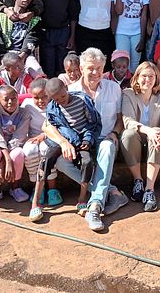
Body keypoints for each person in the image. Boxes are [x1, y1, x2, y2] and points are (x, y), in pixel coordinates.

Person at [68, 48, 128, 231]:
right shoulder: (70, 92)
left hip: (105, 139)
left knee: (107, 147)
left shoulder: (114, 88)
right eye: (90, 68)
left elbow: (119, 120)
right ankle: (112, 191)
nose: (95, 73)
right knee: (61, 161)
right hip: (82, 143)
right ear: (81, 68)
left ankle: (94, 206)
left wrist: (115, 133)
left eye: (99, 68)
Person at [29, 78, 101, 222]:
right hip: (63, 139)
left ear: (66, 88)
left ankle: (82, 200)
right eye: (55, 98)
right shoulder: (52, 108)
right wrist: (64, 142)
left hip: (81, 140)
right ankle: (35, 203)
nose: (61, 100)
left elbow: (93, 123)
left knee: (87, 162)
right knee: (46, 159)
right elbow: (54, 127)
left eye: (62, 95)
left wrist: (87, 140)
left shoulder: (82, 101)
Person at [121, 62, 160, 212]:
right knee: (128, 134)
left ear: (156, 79)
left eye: (151, 76)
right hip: (136, 139)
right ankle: (138, 181)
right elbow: (128, 120)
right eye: (144, 76)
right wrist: (148, 131)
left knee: (157, 132)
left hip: (154, 141)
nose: (147, 80)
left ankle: (149, 189)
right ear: (136, 78)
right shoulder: (128, 94)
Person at [0, 86, 30, 206]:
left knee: (18, 153)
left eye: (14, 98)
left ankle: (15, 187)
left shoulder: (24, 113)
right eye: (6, 99)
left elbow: (19, 137)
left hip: (14, 146)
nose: (10, 102)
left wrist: (5, 161)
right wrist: (4, 160)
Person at [21, 78, 63, 207]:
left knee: (46, 151)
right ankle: (38, 188)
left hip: (52, 137)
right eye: (36, 97)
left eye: (44, 96)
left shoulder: (57, 105)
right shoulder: (27, 105)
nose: (40, 101)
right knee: (29, 151)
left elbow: (61, 126)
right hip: (32, 138)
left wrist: (44, 135)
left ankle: (52, 189)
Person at [38, 0, 80, 78]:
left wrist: (72, 36)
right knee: (48, 66)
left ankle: (63, 93)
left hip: (63, 32)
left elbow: (73, 13)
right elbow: (37, 9)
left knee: (63, 67)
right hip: (46, 32)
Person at [114, 0, 149, 72]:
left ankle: (132, 87)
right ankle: (122, 87)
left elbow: (144, 17)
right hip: (122, 32)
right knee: (122, 61)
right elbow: (119, 11)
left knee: (135, 63)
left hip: (137, 33)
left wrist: (143, 39)